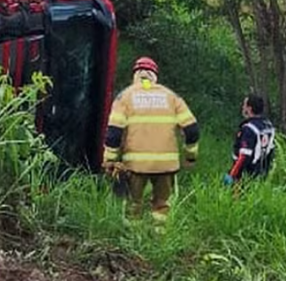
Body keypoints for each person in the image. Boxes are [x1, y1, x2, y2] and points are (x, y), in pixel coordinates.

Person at [102, 57, 200, 223]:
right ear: (155, 76)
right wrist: (190, 157)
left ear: (135, 75)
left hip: (135, 165)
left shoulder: (124, 97)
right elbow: (192, 130)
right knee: (162, 207)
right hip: (166, 165)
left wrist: (109, 160)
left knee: (133, 206)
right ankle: (159, 239)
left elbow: (113, 133)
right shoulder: (172, 97)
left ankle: (134, 241)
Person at [223, 94, 276, 185]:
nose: (242, 107)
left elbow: (244, 156)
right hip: (263, 175)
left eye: (244, 105)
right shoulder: (268, 126)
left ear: (249, 109)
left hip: (246, 176)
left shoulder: (249, 129)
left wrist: (232, 175)